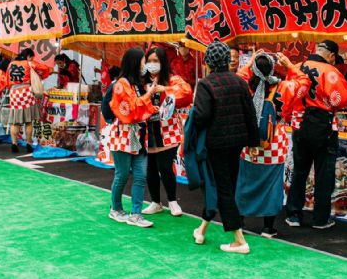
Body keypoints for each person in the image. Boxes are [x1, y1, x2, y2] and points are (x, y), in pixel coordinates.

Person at [192, 41, 259, 254]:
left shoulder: (205, 84)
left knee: (222, 190)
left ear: (209, 61)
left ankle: (240, 241)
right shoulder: (239, 82)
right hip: (236, 143)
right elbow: (251, 114)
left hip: (215, 145)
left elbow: (201, 116)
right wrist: (254, 143)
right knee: (224, 187)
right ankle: (201, 229)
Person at [236, 51, 310, 239]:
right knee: (272, 186)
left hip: (249, 144)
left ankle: (240, 222)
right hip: (274, 144)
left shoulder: (245, 86)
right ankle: (268, 228)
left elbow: (240, 76)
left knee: (245, 183)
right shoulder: (284, 87)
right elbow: (304, 82)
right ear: (273, 68)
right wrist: (289, 66)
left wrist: (250, 62)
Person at [286, 40, 347, 230]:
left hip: (299, 124)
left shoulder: (297, 68)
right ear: (331, 55)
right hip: (324, 126)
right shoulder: (331, 72)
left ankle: (293, 215)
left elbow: (287, 94)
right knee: (324, 173)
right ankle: (320, 219)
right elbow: (341, 99)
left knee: (299, 171)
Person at [107, 47, 158, 228]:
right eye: (144, 62)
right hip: (123, 134)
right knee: (122, 174)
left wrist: (152, 109)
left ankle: (135, 213)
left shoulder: (137, 84)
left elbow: (139, 107)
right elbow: (132, 108)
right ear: (135, 63)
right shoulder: (121, 84)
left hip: (137, 134)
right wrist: (150, 95)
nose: (146, 65)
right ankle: (116, 208)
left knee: (140, 175)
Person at [141, 47, 192, 218]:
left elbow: (187, 93)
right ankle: (155, 202)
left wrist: (165, 90)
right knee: (150, 168)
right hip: (147, 131)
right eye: (150, 61)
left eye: (156, 61)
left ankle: (172, 201)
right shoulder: (141, 81)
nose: (152, 64)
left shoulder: (173, 79)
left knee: (165, 166)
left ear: (163, 62)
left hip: (168, 130)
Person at [4, 49, 52, 153]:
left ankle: (14, 143)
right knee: (28, 121)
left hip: (14, 93)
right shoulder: (29, 63)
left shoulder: (11, 64)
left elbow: (7, 80)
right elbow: (45, 69)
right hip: (26, 92)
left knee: (14, 121)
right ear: (29, 56)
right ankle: (29, 143)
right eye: (32, 57)